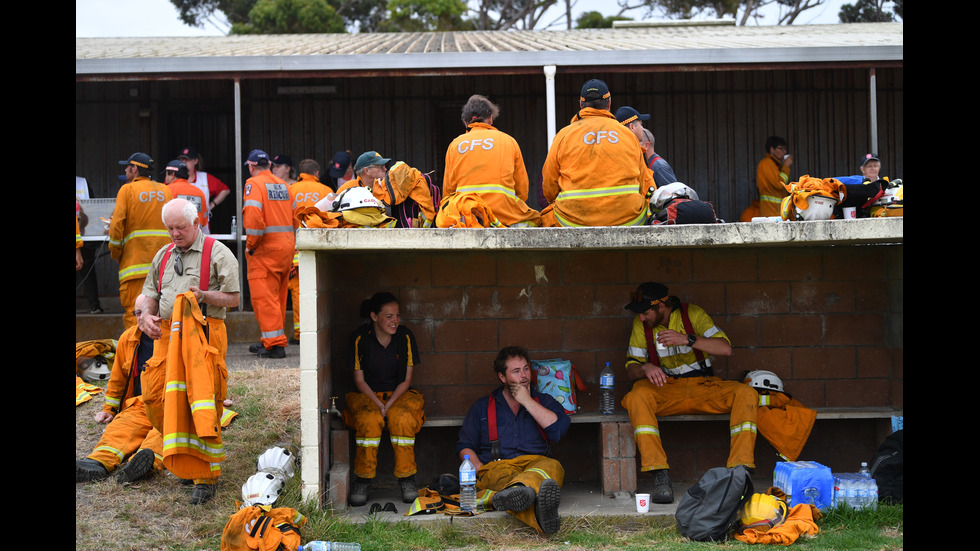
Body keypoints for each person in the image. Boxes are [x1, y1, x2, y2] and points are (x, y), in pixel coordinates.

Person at [139, 198, 240, 504]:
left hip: (205, 336)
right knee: (155, 399)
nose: (175, 234)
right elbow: (150, 294)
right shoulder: (164, 254)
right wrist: (146, 317)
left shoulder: (218, 252)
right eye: (169, 228)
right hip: (167, 336)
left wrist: (204, 295)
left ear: (197, 222)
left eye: (180, 227)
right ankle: (183, 458)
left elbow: (234, 299)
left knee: (203, 405)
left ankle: (205, 477)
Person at [620, 282, 757, 504]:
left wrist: (688, 339)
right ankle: (659, 475)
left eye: (645, 312)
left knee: (746, 393)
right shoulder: (641, 324)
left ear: (662, 306)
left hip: (703, 386)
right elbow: (631, 368)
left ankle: (740, 472)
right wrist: (645, 367)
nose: (642, 318)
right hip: (666, 389)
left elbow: (725, 349)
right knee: (637, 396)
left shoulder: (692, 314)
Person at [456, 346, 570, 535]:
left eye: (526, 369)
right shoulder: (482, 406)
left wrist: (527, 401)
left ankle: (509, 495)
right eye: (516, 371)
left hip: (537, 464)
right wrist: (477, 469)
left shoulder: (544, 401)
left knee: (553, 467)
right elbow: (465, 444)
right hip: (498, 466)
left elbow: (557, 432)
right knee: (501, 475)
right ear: (502, 377)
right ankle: (539, 511)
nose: (524, 376)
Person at [343, 292, 425, 506]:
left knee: (402, 419)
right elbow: (359, 381)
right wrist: (379, 405)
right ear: (374, 316)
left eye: (397, 315)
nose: (395, 321)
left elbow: (406, 380)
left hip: (399, 395)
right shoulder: (360, 338)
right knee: (369, 421)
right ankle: (362, 479)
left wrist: (388, 405)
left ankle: (407, 478)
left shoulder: (405, 337)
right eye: (389, 316)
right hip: (367, 396)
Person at [541, 79, 654, 227]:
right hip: (628, 219)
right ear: (609, 103)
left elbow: (549, 186)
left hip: (573, 220)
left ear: (581, 105)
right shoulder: (627, 135)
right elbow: (641, 184)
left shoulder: (564, 135)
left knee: (546, 216)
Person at [76, 294, 162, 484]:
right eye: (137, 313)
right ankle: (97, 462)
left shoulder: (178, 336)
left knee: (163, 435)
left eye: (145, 312)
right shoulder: (128, 338)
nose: (140, 318)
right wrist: (109, 409)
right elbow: (117, 380)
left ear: (158, 313)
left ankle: (147, 464)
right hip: (140, 404)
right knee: (120, 428)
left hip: (171, 405)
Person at [443, 94, 541, 227]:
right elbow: (522, 191)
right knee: (537, 220)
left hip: (469, 217)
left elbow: (448, 192)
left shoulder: (455, 145)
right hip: (504, 217)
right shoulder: (508, 141)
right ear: (490, 119)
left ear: (465, 122)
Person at [109, 152, 173, 329]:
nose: (125, 170)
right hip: (164, 267)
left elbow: (116, 226)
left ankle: (137, 355)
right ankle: (161, 355)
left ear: (134, 169)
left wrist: (116, 253)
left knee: (135, 314)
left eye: (127, 167)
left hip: (135, 267)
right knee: (163, 313)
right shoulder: (166, 190)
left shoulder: (127, 190)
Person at [243, 149, 295, 359]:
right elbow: (294, 217)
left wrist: (251, 245)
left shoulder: (253, 184)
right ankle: (272, 338)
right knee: (278, 297)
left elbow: (254, 219)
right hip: (286, 248)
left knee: (264, 298)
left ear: (251, 166)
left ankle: (274, 344)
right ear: (270, 166)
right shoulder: (284, 185)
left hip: (265, 249)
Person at [287, 159, 334, 342]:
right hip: (321, 249)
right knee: (322, 289)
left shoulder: (290, 190)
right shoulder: (326, 191)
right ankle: (321, 330)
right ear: (317, 173)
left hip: (296, 250)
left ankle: (300, 334)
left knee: (299, 293)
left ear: (300, 172)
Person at [337, 151, 436, 227]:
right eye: (380, 166)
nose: (385, 169)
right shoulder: (348, 188)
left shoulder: (385, 187)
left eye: (384, 166)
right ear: (367, 170)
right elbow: (336, 215)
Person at [178, 147, 231, 233]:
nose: (183, 162)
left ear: (195, 161)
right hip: (178, 225)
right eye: (181, 160)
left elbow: (225, 190)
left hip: (202, 228)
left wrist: (212, 205)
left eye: (187, 160)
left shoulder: (204, 178)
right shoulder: (174, 177)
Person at [164, 160, 208, 228]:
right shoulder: (200, 192)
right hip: (195, 235)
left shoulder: (166, 190)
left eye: (166, 175)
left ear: (172, 174)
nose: (165, 178)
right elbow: (204, 221)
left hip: (175, 236)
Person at [756, 136, 793, 217]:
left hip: (777, 213)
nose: (784, 152)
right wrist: (786, 166)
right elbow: (779, 185)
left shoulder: (776, 165)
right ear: (772, 149)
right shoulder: (766, 163)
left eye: (785, 149)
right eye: (781, 148)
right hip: (770, 213)